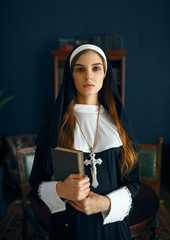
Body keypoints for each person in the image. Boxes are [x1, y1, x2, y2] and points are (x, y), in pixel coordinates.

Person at [29, 44, 140, 240]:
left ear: (105, 73)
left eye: (96, 68)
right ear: (71, 75)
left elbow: (133, 182)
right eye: (80, 69)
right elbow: (37, 184)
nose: (89, 76)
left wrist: (106, 203)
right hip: (69, 228)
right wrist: (60, 189)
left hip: (112, 228)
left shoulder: (119, 124)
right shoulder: (55, 126)